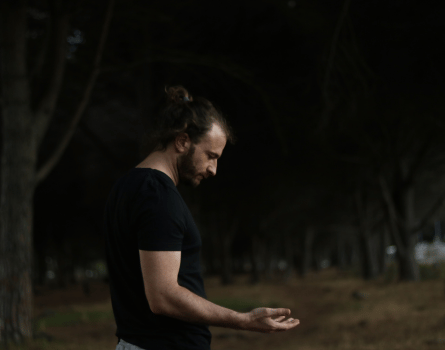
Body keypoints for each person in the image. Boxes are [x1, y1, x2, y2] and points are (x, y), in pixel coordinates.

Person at [103, 86, 300, 350]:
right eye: (211, 156)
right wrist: (242, 319)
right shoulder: (158, 196)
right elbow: (163, 296)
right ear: (183, 141)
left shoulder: (127, 187)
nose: (213, 170)